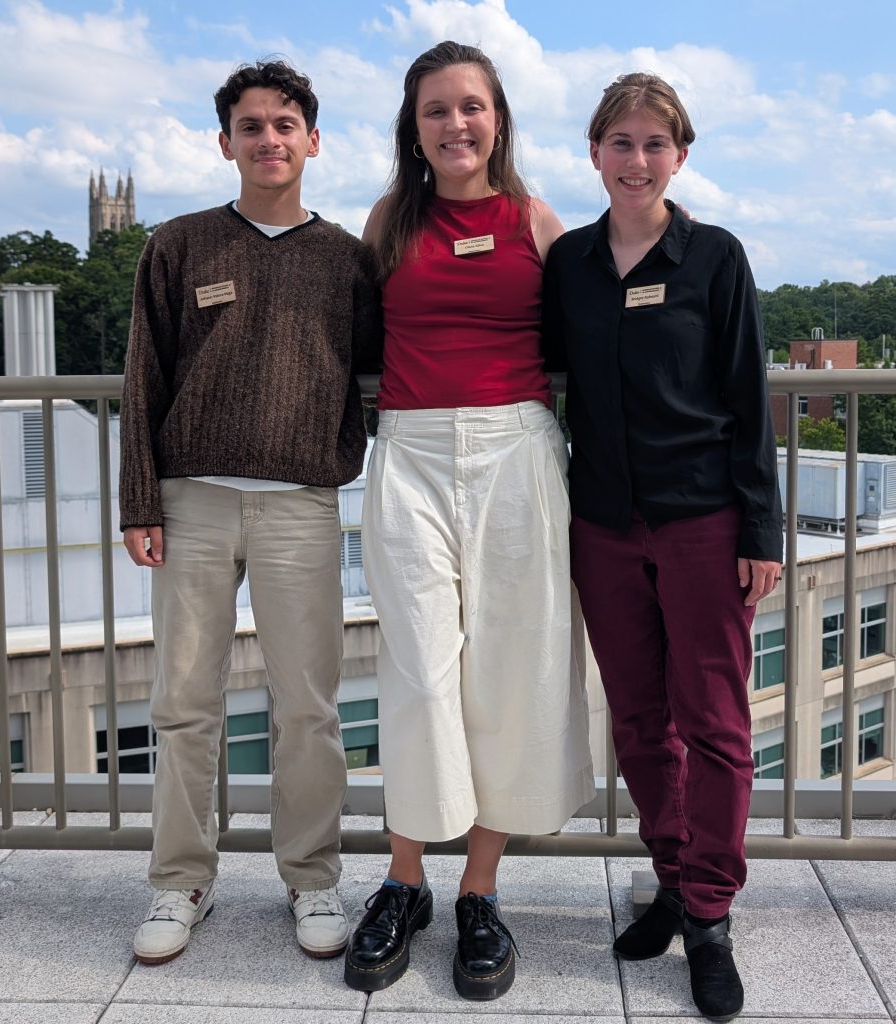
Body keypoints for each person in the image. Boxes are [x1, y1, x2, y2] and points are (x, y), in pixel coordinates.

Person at [343, 40, 594, 1002]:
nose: (455, 124)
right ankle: (403, 880)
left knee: (513, 668)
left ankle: (478, 893)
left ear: (498, 119)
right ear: (414, 127)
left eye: (471, 107)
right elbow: (355, 338)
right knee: (416, 668)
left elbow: (584, 341)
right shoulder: (387, 222)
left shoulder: (535, 220)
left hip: (517, 453)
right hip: (406, 452)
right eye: (436, 109)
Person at [119, 60, 380, 966]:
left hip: (303, 505)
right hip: (191, 502)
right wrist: (139, 501)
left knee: (305, 706)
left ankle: (311, 877)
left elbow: (382, 379)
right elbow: (143, 376)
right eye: (250, 125)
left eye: (285, 124)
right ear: (223, 139)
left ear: (313, 139)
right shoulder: (180, 244)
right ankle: (179, 882)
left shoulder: (347, 258)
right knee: (183, 703)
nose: (269, 139)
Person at [543, 73, 783, 1022]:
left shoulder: (713, 259)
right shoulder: (567, 263)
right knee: (640, 721)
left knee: (715, 725)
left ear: (678, 156)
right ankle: (672, 881)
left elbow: (746, 398)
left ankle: (711, 913)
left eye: (654, 144)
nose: (635, 161)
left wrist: (759, 529)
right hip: (601, 522)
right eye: (619, 143)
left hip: (701, 522)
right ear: (594, 154)